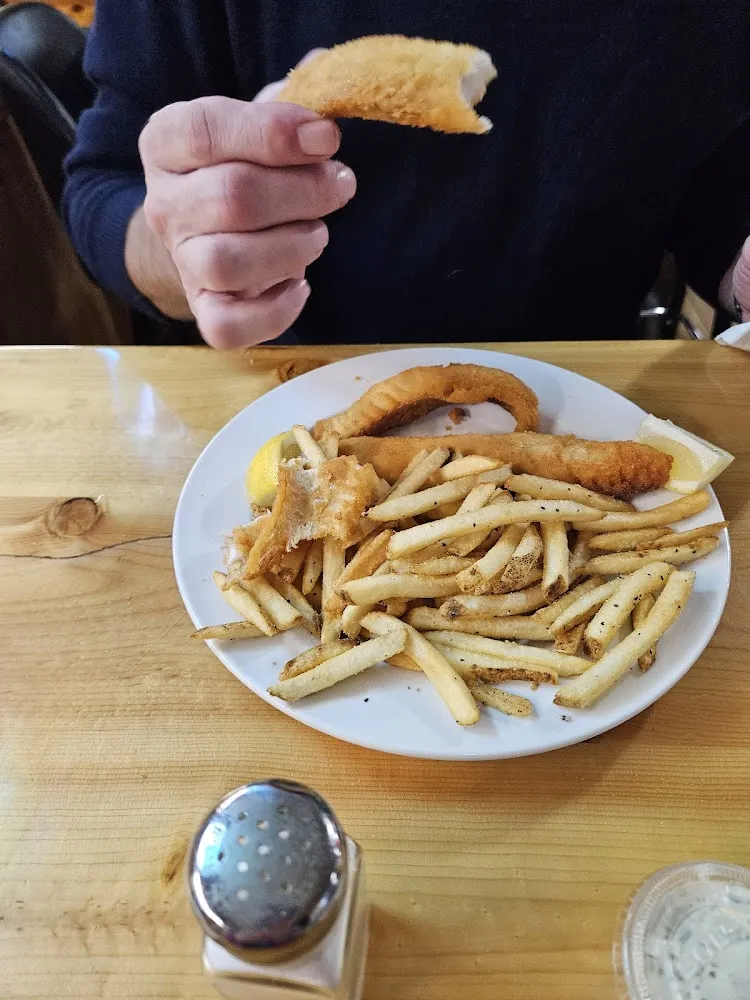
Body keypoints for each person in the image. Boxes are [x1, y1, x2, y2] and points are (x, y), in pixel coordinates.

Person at [63, 2, 750, 348]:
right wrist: (192, 246)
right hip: (285, 389)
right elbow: (103, 186)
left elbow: (717, 196)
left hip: (592, 391)